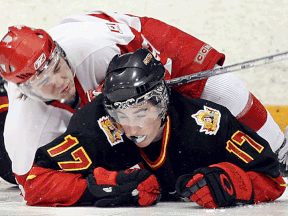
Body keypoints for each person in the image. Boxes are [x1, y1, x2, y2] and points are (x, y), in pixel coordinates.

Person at [0, 10, 285, 189]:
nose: (59, 82)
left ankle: (281, 149)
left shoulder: (94, 47)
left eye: (58, 67)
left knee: (227, 89)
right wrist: (98, 186)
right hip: (72, 97)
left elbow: (142, 55)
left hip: (138, 43)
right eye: (43, 82)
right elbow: (30, 181)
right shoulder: (26, 115)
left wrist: (152, 81)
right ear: (24, 91)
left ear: (61, 51)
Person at [25, 48, 285, 208]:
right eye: (120, 114)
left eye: (140, 112)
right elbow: (36, 182)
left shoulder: (207, 123)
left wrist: (233, 183)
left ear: (161, 103)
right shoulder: (96, 124)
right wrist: (104, 187)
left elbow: (272, 179)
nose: (129, 127)